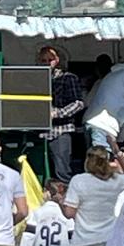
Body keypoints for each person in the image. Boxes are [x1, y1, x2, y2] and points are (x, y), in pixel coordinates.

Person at [38, 45, 84, 183]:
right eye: (43, 60)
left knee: (62, 172)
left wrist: (58, 113)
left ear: (57, 60)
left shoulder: (68, 77)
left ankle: (65, 195)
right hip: (39, 131)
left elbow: (78, 103)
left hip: (60, 130)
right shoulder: (35, 79)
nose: (47, 63)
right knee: (41, 172)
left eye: (50, 60)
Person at [85, 59, 124, 145]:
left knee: (95, 153)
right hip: (103, 126)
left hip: (94, 123)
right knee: (102, 154)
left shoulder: (115, 75)